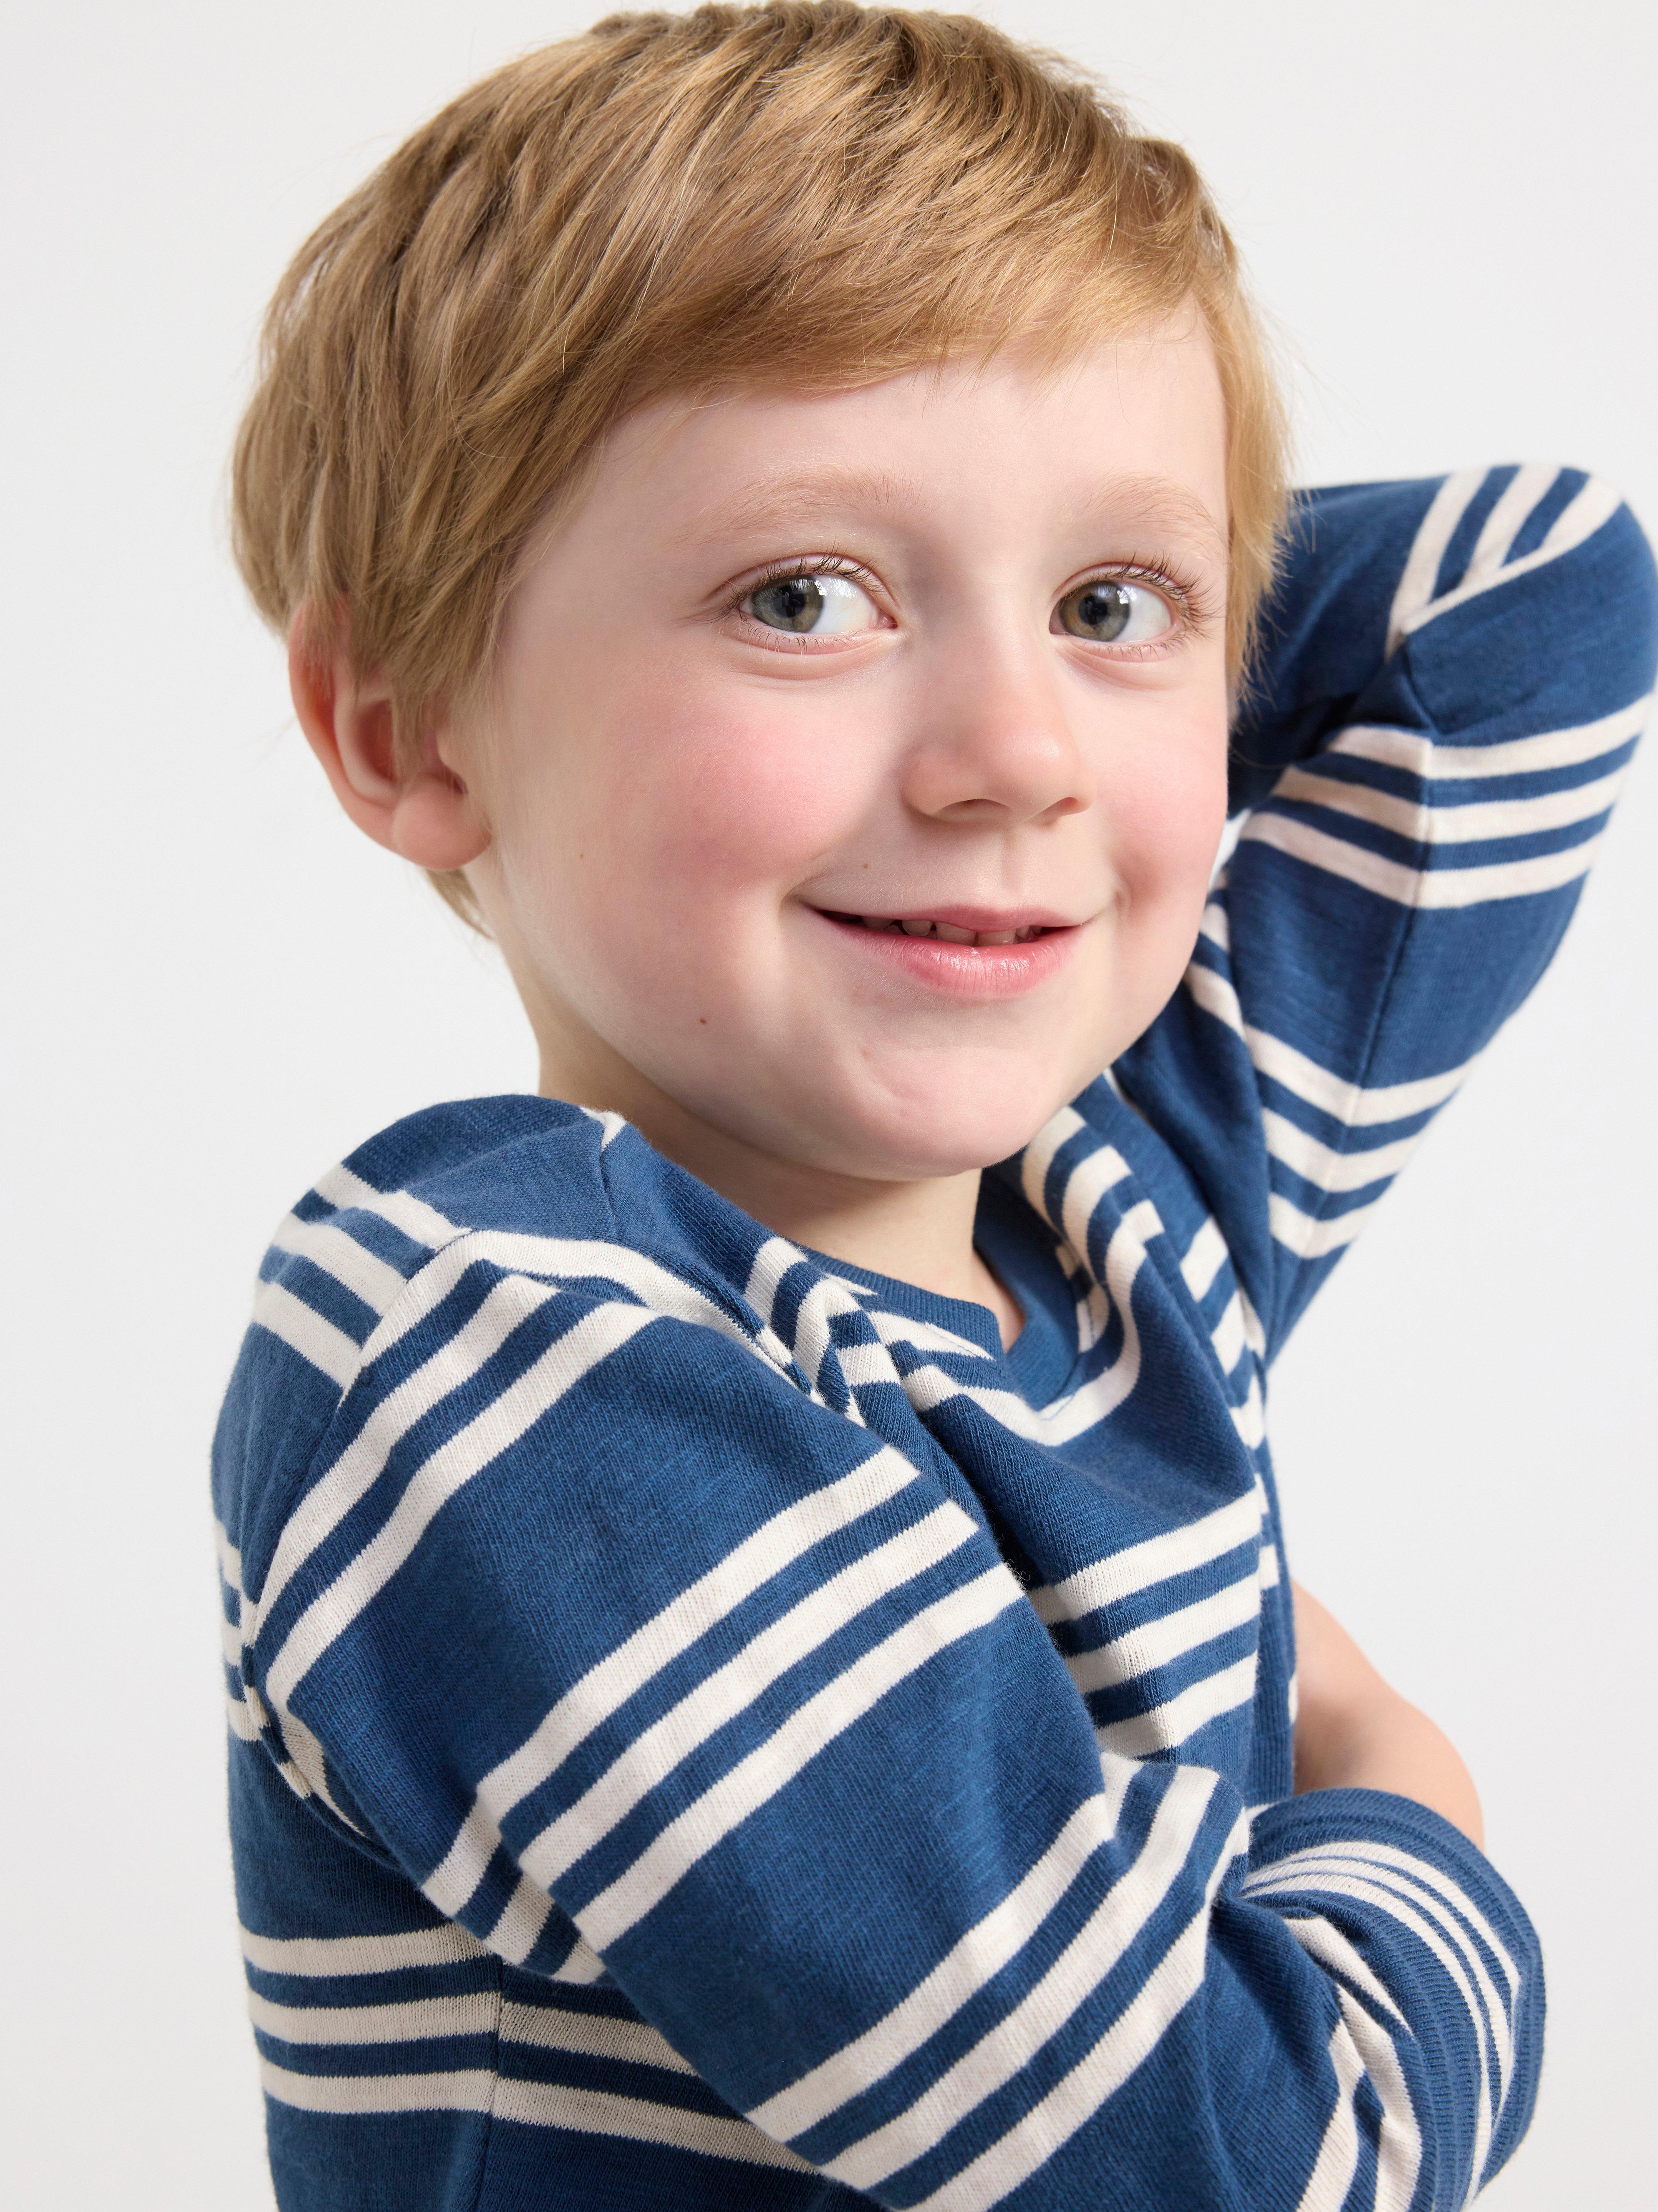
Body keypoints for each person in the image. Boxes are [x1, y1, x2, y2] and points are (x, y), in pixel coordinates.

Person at [212, 5, 1655, 2207]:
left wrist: (1112, 629)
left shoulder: (1135, 1183)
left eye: (1110, 603)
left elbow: (1535, 603)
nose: (1012, 756)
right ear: (408, 728)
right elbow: (1246, 2169)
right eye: (801, 597)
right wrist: (1390, 1772)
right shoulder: (500, 1354)